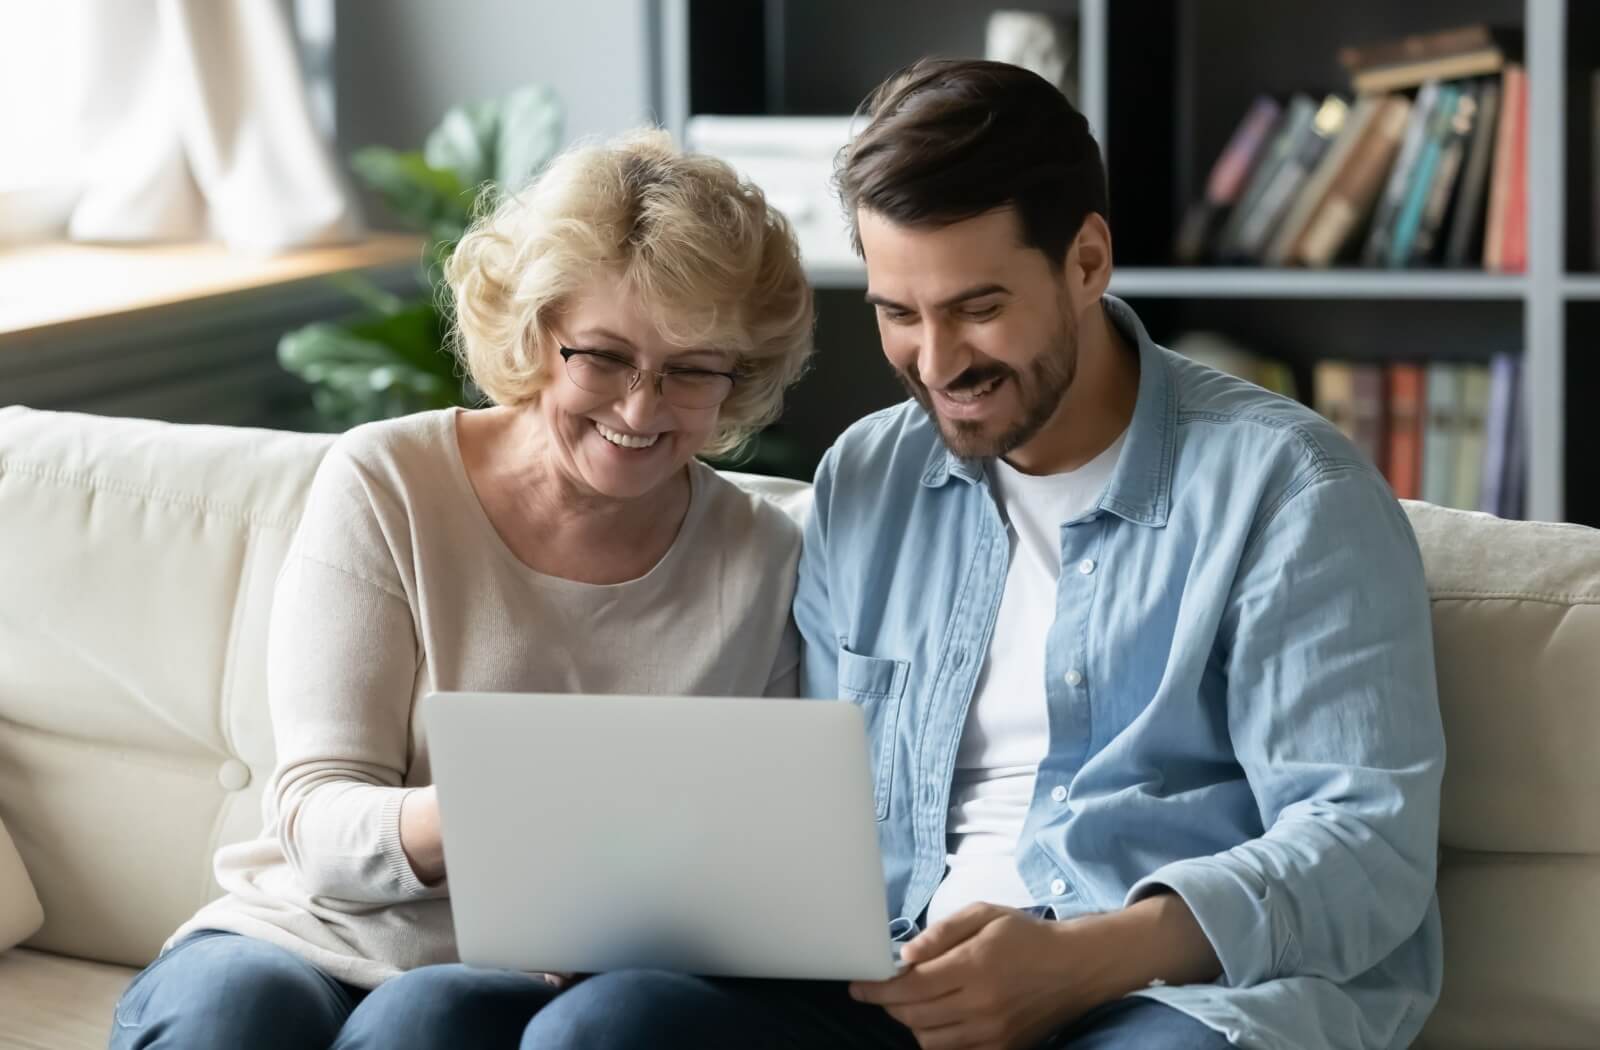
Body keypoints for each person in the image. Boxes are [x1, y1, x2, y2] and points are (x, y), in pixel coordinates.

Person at [522, 59, 1444, 1050]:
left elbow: (1364, 850)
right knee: (602, 1025)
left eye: (977, 307)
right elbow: (819, 816)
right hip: (889, 983)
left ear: (1086, 262)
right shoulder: (869, 478)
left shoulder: (1289, 492)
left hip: (1158, 999)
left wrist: (1080, 961)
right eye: (896, 314)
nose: (936, 361)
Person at [107, 128, 815, 1050]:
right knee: (235, 1015)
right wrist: (511, 801)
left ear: (740, 373)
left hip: (528, 975)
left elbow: (754, 858)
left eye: (690, 371)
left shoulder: (763, 553)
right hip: (306, 932)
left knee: (427, 1020)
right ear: (535, 332)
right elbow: (317, 817)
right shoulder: (388, 482)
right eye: (601, 357)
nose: (640, 409)